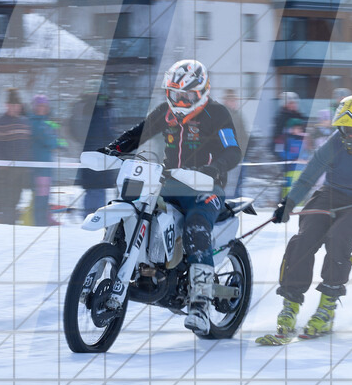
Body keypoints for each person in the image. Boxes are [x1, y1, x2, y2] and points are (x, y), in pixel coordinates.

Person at [101, 60, 242, 335]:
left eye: (186, 95)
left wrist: (215, 168)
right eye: (175, 94)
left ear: (201, 92)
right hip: (168, 184)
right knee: (133, 206)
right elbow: (136, 134)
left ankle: (200, 304)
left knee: (196, 226)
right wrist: (112, 149)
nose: (180, 100)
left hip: (205, 188)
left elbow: (233, 150)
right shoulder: (165, 113)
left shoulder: (217, 114)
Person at [260, 94, 352, 344]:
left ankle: (327, 307)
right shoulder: (335, 142)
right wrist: (287, 203)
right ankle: (290, 304)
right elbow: (308, 177)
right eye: (344, 128)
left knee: (339, 237)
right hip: (330, 194)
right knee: (304, 239)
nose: (349, 134)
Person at [0, 88, 32, 224]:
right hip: (6, 169)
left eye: (17, 106)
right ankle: (7, 225)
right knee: (6, 199)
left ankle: (11, 223)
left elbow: (28, 144)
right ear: (7, 105)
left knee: (16, 198)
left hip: (21, 168)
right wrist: (1, 162)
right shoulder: (0, 122)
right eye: (12, 105)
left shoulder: (24, 122)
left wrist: (27, 163)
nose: (15, 108)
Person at [70, 84, 116, 216]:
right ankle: (95, 219)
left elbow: (74, 131)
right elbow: (108, 133)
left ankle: (88, 217)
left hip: (87, 154)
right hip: (99, 156)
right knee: (98, 190)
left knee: (91, 190)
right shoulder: (102, 110)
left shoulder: (79, 108)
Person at [30, 94, 63, 226]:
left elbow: (54, 138)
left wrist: (57, 141)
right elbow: (49, 140)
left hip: (46, 165)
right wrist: (56, 142)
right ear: (34, 107)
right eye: (39, 106)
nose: (41, 109)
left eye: (44, 106)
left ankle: (44, 217)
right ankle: (40, 222)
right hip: (39, 167)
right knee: (41, 196)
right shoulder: (36, 123)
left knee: (45, 195)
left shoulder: (44, 122)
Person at [222, 90, 249, 199]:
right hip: (230, 155)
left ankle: (235, 204)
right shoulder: (224, 115)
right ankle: (228, 205)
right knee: (230, 185)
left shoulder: (238, 115)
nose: (235, 103)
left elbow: (243, 134)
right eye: (232, 101)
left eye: (235, 101)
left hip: (241, 155)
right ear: (227, 101)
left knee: (239, 183)